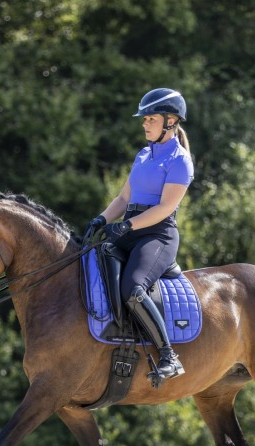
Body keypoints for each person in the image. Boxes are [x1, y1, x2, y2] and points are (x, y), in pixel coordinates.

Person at [84, 88, 194, 384]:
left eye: (151, 119)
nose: (145, 124)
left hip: (158, 235)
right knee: (96, 255)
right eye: (144, 119)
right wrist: (101, 220)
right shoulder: (144, 155)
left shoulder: (180, 160)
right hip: (131, 228)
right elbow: (124, 198)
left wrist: (127, 227)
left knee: (133, 288)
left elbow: (166, 207)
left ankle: (169, 356)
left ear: (171, 121)